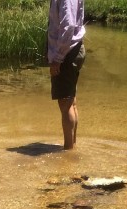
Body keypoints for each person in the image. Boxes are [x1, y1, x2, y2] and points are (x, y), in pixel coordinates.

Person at [47, 0, 86, 150]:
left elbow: (68, 26)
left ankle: (68, 150)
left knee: (65, 103)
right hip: (72, 50)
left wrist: (57, 58)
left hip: (67, 53)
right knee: (70, 102)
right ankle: (72, 147)